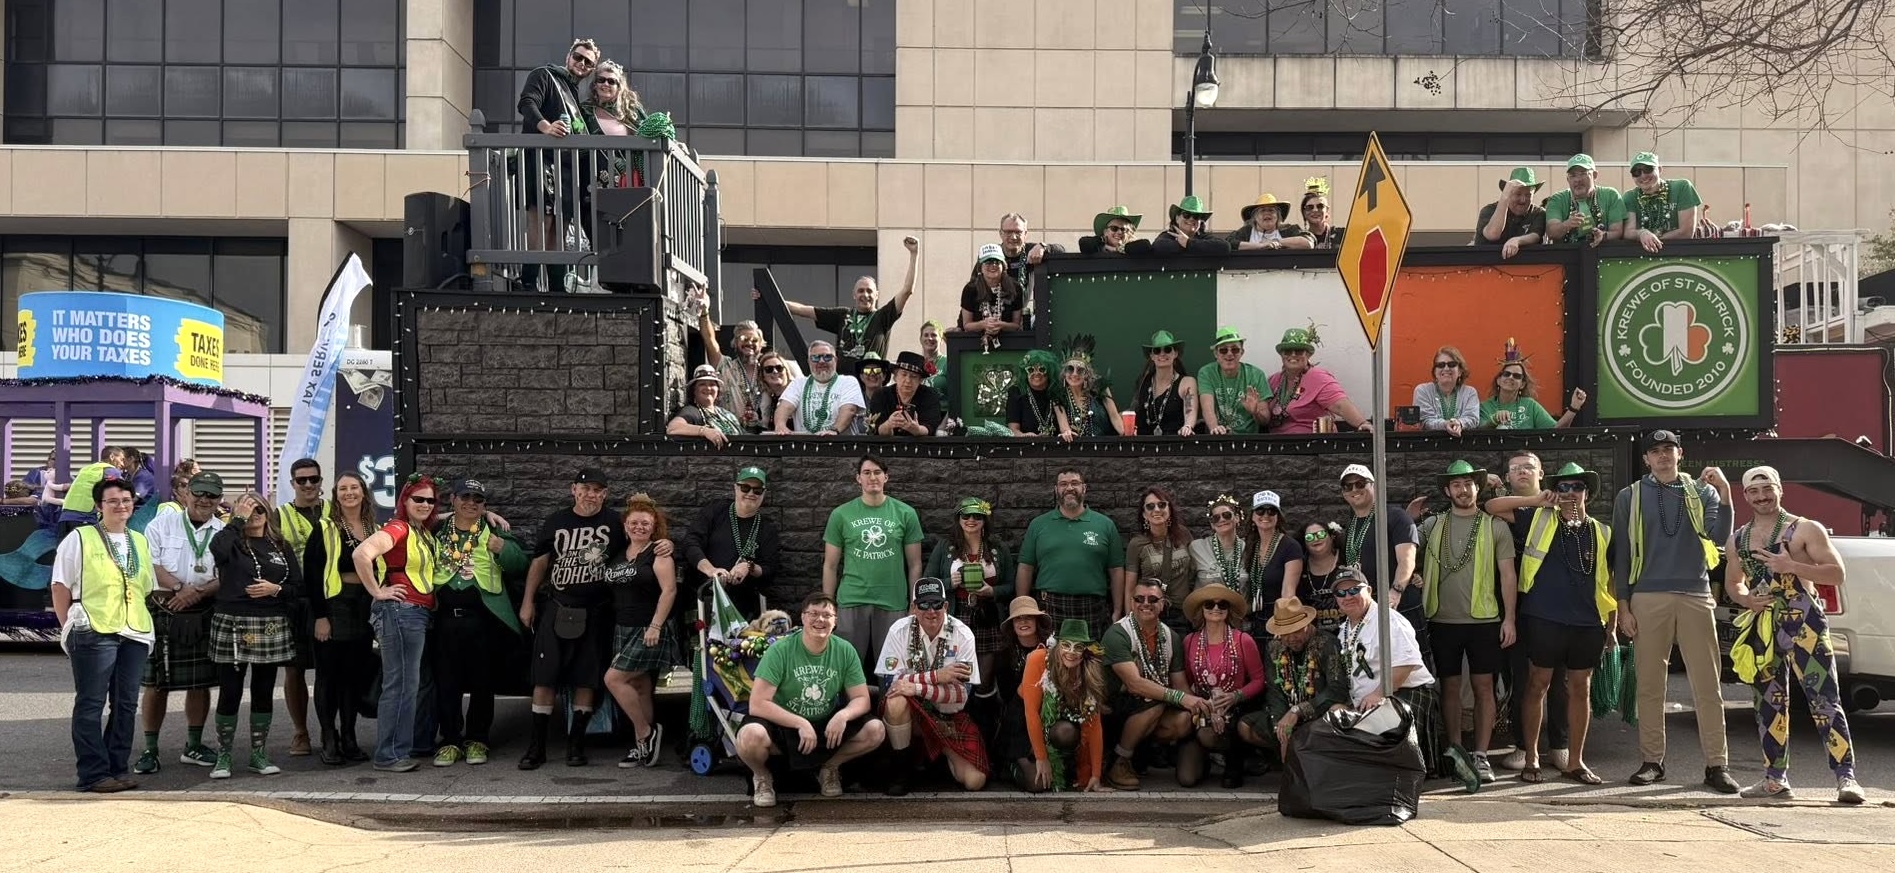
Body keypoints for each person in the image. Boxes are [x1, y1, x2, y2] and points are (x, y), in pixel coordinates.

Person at [1724, 466, 1864, 803]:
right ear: (1745, 495)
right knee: (1768, 703)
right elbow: (1733, 582)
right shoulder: (1738, 539)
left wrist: (1793, 567)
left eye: (1767, 489)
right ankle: (1774, 780)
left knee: (1824, 699)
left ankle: (1846, 778)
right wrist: (1746, 599)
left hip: (1806, 624)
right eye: (1754, 491)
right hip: (1764, 625)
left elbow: (1836, 573)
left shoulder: (1805, 529)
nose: (1762, 497)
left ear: (1780, 490)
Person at [1612, 429, 1737, 792]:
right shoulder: (1630, 496)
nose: (1663, 455)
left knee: (1707, 685)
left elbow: (1718, 538)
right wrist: (1623, 606)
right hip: (1647, 596)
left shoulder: (1703, 491)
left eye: (1669, 449)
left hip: (1695, 594)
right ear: (1646, 459)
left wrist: (1726, 494)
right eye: (1655, 451)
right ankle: (1652, 761)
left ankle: (1717, 765)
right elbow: (1621, 555)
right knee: (1650, 685)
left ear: (1680, 454)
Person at [1509, 463, 1615, 785]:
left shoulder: (1602, 531)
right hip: (1544, 617)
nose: (1570, 493)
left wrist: (1611, 626)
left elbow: (1609, 581)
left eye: (1577, 487)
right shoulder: (1539, 518)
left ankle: (1575, 762)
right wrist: (1538, 500)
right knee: (1537, 684)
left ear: (1587, 494)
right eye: (1564, 487)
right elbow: (1493, 506)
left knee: (1579, 688)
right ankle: (1532, 757)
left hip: (1587, 621)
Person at [518, 467, 627, 770]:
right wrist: (527, 602)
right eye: (586, 488)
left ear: (605, 494)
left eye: (597, 490)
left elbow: (637, 548)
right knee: (545, 677)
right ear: (574, 490)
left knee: (586, 678)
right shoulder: (556, 521)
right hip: (557, 606)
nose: (591, 495)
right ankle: (537, 747)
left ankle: (576, 745)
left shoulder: (615, 523)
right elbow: (540, 563)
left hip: (596, 610)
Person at [736, 592, 888, 808]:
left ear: (836, 621)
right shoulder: (780, 650)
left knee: (875, 730)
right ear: (803, 617)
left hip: (826, 722)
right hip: (783, 723)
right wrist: (799, 722)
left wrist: (843, 715)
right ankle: (762, 777)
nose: (820, 620)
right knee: (749, 736)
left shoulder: (845, 650)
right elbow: (758, 704)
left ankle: (830, 768)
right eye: (814, 614)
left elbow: (861, 698)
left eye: (827, 615)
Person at [1418, 460, 1519, 784]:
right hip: (1441, 619)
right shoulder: (1431, 525)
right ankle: (1456, 753)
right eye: (1456, 485)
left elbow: (1508, 576)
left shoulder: (1495, 526)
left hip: (1485, 620)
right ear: (1447, 491)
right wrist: (1408, 515)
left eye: (1468, 484)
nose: (1463, 490)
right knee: (1448, 686)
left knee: (1483, 686)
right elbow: (1405, 551)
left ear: (1478, 488)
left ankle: (1481, 755)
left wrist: (1510, 619)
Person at [52, 477, 154, 793]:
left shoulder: (139, 540)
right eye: (113, 501)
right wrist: (68, 625)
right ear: (99, 506)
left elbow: (145, 586)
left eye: (126, 500)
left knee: (126, 704)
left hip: (134, 630)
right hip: (93, 629)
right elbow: (60, 586)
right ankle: (93, 773)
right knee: (91, 703)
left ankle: (117, 767)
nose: (121, 506)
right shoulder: (80, 538)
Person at [426, 479, 525, 768]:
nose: (471, 503)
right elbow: (410, 519)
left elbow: (522, 564)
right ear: (453, 499)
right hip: (444, 619)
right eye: (465, 497)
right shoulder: (437, 529)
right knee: (447, 683)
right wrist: (445, 515)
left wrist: (502, 549)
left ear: (484, 504)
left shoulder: (494, 530)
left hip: (483, 620)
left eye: (478, 500)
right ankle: (450, 740)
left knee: (483, 681)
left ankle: (478, 738)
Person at [1482, 451, 1569, 773]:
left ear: (1541, 472)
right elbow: (1490, 506)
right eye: (1515, 469)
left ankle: (1560, 745)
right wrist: (1535, 501)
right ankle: (1523, 746)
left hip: (1558, 605)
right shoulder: (1517, 510)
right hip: (1519, 607)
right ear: (1507, 477)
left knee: (1559, 680)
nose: (1522, 472)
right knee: (1521, 679)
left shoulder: (1562, 506)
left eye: (1529, 467)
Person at [134, 471, 225, 775]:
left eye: (212, 495)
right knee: (156, 684)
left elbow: (226, 574)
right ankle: (150, 749)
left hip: (202, 608)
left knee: (200, 683)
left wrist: (196, 593)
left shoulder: (224, 532)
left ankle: (193, 745)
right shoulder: (161, 524)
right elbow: (151, 564)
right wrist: (178, 588)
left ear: (219, 499)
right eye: (199, 493)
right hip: (165, 606)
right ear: (186, 494)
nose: (204, 500)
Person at [206, 490, 301, 780]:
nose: (254, 514)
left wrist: (277, 589)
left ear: (268, 513)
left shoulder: (280, 545)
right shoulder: (231, 541)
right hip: (233, 620)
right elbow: (217, 550)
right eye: (247, 509)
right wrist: (237, 521)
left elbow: (299, 587)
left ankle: (258, 754)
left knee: (263, 689)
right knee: (231, 690)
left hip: (270, 621)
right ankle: (223, 756)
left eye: (259, 509)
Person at [348, 475, 440, 773]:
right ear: (405, 501)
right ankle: (389, 755)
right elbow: (361, 554)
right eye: (418, 499)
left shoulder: (418, 530)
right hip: (401, 613)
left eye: (431, 500)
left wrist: (482, 514)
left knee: (413, 684)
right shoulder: (399, 528)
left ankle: (403, 748)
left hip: (414, 614)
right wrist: (377, 591)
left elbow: (442, 516)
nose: (425, 504)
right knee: (400, 685)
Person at [877, 577, 989, 795]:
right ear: (913, 608)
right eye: (924, 604)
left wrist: (917, 687)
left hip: (948, 717)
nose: (931, 611)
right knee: (896, 701)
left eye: (937, 604)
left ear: (946, 606)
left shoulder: (963, 634)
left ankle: (938, 760)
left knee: (974, 781)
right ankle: (902, 770)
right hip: (912, 714)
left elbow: (962, 695)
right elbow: (893, 685)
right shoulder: (899, 631)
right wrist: (939, 676)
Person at [1100, 577, 1209, 790]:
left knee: (1183, 720)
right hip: (1114, 707)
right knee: (1155, 704)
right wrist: (1180, 697)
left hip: (1148, 705)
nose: (1145, 604)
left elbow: (1180, 684)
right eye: (1139, 599)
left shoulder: (1171, 637)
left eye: (1152, 599)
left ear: (1163, 604)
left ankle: (1139, 753)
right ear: (1131, 602)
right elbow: (1134, 684)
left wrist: (1199, 705)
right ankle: (1119, 761)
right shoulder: (1118, 633)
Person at [1333, 567, 1443, 774]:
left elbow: (1406, 663)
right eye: (1341, 593)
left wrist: (1379, 693)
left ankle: (1452, 761)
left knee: (1364, 738)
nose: (1347, 597)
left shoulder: (1388, 620)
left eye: (1354, 590)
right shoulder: (1344, 630)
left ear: (1369, 590)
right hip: (1368, 701)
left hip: (1404, 694)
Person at [823, 455, 925, 672]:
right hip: (851, 600)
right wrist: (827, 605)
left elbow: (915, 564)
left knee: (893, 672)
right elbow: (830, 565)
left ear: (886, 477)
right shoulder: (841, 514)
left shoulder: (906, 513)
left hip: (893, 601)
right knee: (845, 669)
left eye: (877, 472)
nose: (872, 477)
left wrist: (914, 602)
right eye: (867, 473)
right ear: (858, 478)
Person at [514, 38, 600, 293]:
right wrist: (546, 127)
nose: (582, 63)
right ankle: (528, 281)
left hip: (567, 169)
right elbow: (527, 103)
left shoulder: (574, 95)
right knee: (541, 221)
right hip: (541, 159)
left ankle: (556, 287)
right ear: (568, 56)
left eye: (588, 62)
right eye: (578, 57)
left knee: (560, 227)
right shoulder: (545, 75)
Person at [306, 472, 378, 765]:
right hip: (334, 605)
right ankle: (328, 737)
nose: (349, 493)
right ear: (336, 495)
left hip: (364, 606)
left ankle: (349, 737)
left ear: (364, 492)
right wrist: (320, 616)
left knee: (353, 676)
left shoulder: (375, 528)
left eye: (354, 487)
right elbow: (312, 575)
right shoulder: (325, 527)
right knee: (328, 676)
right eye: (343, 489)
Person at [603, 494, 678, 769]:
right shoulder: (619, 554)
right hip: (623, 626)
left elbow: (669, 591)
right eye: (634, 522)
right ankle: (641, 748)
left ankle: (647, 732)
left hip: (648, 628)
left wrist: (656, 625)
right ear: (625, 525)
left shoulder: (658, 553)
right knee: (639, 686)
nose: (639, 527)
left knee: (613, 679)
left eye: (645, 523)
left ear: (654, 526)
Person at [1017, 468, 1125, 642]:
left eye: (1075, 483)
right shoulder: (1038, 524)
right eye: (1063, 484)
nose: (1069, 488)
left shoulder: (1105, 525)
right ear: (1056, 489)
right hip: (1049, 604)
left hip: (1093, 606)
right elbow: (1025, 568)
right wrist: (1022, 608)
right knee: (1049, 656)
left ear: (1084, 488)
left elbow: (1116, 570)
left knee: (1092, 656)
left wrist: (1118, 611)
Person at [1240, 596, 1348, 768]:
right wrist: (1281, 729)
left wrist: (1298, 711)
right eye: (1285, 633)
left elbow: (1337, 690)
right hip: (1287, 717)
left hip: (1318, 714)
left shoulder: (1327, 643)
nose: (1291, 638)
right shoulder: (1274, 647)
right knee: (1245, 727)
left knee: (1336, 713)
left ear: (1307, 624)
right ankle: (1289, 754)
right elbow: (1275, 693)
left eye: (1296, 631)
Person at [780, 236, 919, 369]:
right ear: (854, 294)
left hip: (871, 380)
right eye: (861, 291)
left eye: (869, 291)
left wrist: (914, 254)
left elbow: (907, 291)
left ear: (876, 295)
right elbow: (804, 310)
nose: (865, 295)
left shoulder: (883, 316)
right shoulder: (843, 314)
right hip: (844, 382)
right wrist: (773, 298)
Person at [1177, 583, 1265, 788]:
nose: (1216, 609)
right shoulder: (1190, 641)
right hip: (1202, 712)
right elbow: (1186, 681)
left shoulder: (1243, 640)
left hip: (1234, 711)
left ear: (1228, 610)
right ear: (1201, 610)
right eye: (1209, 604)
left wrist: (1235, 696)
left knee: (1217, 737)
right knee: (1186, 779)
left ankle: (1238, 758)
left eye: (1222, 604)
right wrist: (1201, 705)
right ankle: (1207, 759)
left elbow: (1259, 680)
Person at [923, 497, 1014, 688]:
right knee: (954, 667)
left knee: (984, 675)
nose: (971, 520)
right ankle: (959, 705)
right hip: (956, 613)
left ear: (985, 520)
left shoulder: (998, 547)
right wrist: (949, 583)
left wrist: (992, 591)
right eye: (966, 516)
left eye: (977, 516)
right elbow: (928, 583)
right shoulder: (945, 546)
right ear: (958, 519)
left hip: (987, 615)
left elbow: (1011, 585)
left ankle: (983, 704)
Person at [274, 458, 329, 758]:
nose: (308, 485)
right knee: (294, 670)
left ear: (321, 481)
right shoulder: (279, 515)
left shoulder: (335, 510)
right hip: (295, 602)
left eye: (313, 479)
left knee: (329, 670)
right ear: (292, 483)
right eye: (301, 480)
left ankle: (329, 731)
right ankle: (300, 732)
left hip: (330, 600)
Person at [1019, 617, 1109, 792]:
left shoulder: (1088, 671)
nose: (1071, 652)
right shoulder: (1039, 659)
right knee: (1036, 784)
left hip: (1059, 725)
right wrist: (1041, 758)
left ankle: (1064, 767)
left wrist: (1095, 775)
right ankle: (1014, 765)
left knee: (1065, 732)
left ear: (1085, 651)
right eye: (1066, 645)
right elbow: (1031, 712)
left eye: (1078, 647)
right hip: (1023, 726)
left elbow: (1094, 725)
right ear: (1057, 645)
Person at [1337, 464, 1424, 643]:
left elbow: (1407, 560)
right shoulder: (1350, 525)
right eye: (1348, 486)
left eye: (1360, 484)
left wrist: (1395, 591)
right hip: (1364, 606)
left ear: (1374, 486)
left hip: (1397, 602)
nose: (1354, 489)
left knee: (1407, 657)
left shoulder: (1396, 517)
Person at [685, 466, 782, 620]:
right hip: (706, 598)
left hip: (745, 606)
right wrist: (711, 570)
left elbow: (770, 568)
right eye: (745, 488)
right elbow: (691, 543)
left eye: (757, 490)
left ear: (763, 494)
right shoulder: (715, 512)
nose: (751, 493)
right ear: (736, 488)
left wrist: (748, 567)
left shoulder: (767, 528)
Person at [992, 596, 1055, 788]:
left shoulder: (1052, 648)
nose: (1023, 622)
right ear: (1012, 625)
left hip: (1049, 712)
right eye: (1018, 619)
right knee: (1037, 784)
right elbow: (1008, 696)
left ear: (1037, 621)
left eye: (1028, 617)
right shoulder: (1003, 654)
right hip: (1018, 719)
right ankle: (1011, 763)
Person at [1265, 327, 1371, 433]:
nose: (1293, 354)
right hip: (1277, 441)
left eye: (1299, 351)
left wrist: (1362, 423)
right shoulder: (1274, 380)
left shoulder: (1317, 377)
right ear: (1281, 355)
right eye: (1288, 351)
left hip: (1311, 441)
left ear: (1308, 355)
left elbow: (1340, 406)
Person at [1123, 486, 1197, 635]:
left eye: (1162, 505)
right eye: (1150, 506)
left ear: (1169, 509)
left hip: (1182, 613)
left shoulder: (1183, 535)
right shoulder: (1137, 544)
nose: (1156, 509)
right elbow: (1130, 588)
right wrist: (1131, 623)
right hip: (1150, 611)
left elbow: (1194, 572)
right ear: (1144, 514)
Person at [1480, 341, 1586, 429]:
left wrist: (1574, 407)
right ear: (1498, 380)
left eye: (1517, 376)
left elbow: (1556, 431)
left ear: (1522, 384)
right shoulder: (1485, 407)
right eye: (1506, 374)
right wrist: (1494, 420)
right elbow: (1478, 431)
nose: (1511, 377)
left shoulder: (1530, 405)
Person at [1243, 490, 1304, 636]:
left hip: (1279, 618)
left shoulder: (1290, 546)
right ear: (1253, 516)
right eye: (1260, 510)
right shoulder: (1252, 545)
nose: (1265, 515)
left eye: (1271, 511)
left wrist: (1283, 625)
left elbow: (1288, 591)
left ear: (1278, 517)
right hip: (1255, 619)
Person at [774, 341, 866, 435]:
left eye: (827, 357)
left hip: (840, 442)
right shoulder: (798, 383)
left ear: (835, 360)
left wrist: (834, 431)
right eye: (815, 358)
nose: (821, 361)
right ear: (809, 362)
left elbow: (849, 410)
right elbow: (784, 407)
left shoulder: (848, 381)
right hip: (805, 443)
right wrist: (780, 426)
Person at [1197, 326, 1271, 435]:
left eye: (1235, 349)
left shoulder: (1256, 375)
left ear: (1242, 352)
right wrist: (1215, 428)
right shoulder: (1206, 372)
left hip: (1247, 438)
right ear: (1216, 354)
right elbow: (1207, 408)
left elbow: (1265, 420)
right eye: (1223, 350)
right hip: (1217, 437)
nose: (1229, 354)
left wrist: (1255, 412)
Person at [1625, 152, 1703, 252]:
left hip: (1681, 252)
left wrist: (1653, 241)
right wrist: (1642, 233)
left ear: (1659, 169)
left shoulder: (1682, 187)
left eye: (1648, 169)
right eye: (1636, 172)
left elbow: (1686, 232)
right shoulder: (1630, 197)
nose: (1643, 175)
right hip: (1646, 254)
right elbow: (1628, 232)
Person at [1542, 154, 1625, 247]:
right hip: (1567, 253)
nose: (1577, 180)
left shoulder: (1610, 195)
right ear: (1568, 179)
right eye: (1573, 175)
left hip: (1603, 253)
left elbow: (1617, 231)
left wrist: (1604, 235)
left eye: (1583, 173)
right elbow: (1551, 232)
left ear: (1595, 175)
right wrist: (1567, 224)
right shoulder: (1557, 200)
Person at [1052, 340, 1125, 441]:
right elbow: (1064, 427)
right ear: (1064, 373)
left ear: (1087, 374)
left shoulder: (1100, 388)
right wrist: (1067, 432)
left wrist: (1126, 433)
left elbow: (1115, 417)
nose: (1074, 374)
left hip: (1104, 444)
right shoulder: (1059, 395)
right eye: (1070, 369)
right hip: (1075, 446)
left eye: (1080, 370)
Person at [1132, 330, 1198, 436]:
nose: (1162, 354)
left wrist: (1188, 426)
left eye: (1167, 349)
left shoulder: (1187, 382)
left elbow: (1190, 411)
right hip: (1145, 442)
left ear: (1175, 353)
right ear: (1152, 356)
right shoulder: (1144, 381)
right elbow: (1135, 410)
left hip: (1176, 441)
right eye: (1157, 350)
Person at [1474, 168, 1548, 259]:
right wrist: (1504, 198)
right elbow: (1493, 234)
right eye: (1518, 194)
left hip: (1525, 265)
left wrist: (1517, 241)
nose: (1523, 200)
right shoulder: (1489, 211)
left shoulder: (1538, 213)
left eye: (1528, 195)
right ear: (1508, 194)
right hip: (1486, 263)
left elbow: (1535, 236)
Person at [868, 352, 946, 437]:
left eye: (913, 376)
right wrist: (889, 424)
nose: (908, 380)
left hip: (919, 444)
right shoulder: (881, 395)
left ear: (920, 380)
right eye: (904, 374)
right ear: (895, 377)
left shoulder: (930, 395)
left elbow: (930, 427)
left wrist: (917, 430)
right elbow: (878, 429)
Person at [1189, 495, 1250, 600]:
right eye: (1216, 518)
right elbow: (1186, 582)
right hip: (1209, 607)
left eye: (1226, 515)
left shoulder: (1248, 548)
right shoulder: (1197, 548)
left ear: (1237, 518)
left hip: (1241, 608)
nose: (1221, 520)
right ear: (1212, 524)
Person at [960, 244, 1025, 341]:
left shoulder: (1015, 288)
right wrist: (983, 324)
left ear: (1003, 266)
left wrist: (1001, 325)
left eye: (997, 262)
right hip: (977, 342)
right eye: (988, 262)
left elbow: (1016, 325)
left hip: (1008, 341)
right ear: (980, 267)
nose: (993, 265)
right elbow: (967, 325)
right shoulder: (970, 289)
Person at [668, 364, 744, 446]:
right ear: (694, 390)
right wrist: (704, 431)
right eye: (702, 384)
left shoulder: (727, 414)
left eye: (712, 384)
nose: (708, 388)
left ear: (718, 389)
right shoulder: (692, 411)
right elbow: (672, 428)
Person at [1415, 346, 1480, 435]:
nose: (1446, 368)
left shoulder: (1469, 393)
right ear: (1435, 372)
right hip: (1431, 441)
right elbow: (1425, 420)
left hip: (1462, 441)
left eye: (1452, 364)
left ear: (1460, 371)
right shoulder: (1423, 391)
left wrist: (1460, 423)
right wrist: (1445, 424)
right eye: (1440, 365)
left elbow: (1472, 418)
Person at [1296, 521, 1348, 634]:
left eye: (1321, 534)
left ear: (1332, 536)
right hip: (1313, 635)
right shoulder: (1299, 567)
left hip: (1348, 630)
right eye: (1309, 537)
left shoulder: (1347, 559)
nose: (1316, 539)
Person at [1226, 193, 1314, 250]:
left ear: (1278, 216)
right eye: (1262, 210)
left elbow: (1308, 243)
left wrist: (1276, 242)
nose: (1267, 213)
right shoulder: (1246, 232)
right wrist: (1261, 246)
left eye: (1271, 210)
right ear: (1255, 217)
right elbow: (1229, 243)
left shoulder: (1289, 229)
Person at [1150, 195, 1231, 256]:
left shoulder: (1204, 237)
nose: (1191, 219)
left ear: (1200, 221)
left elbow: (1224, 247)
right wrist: (1196, 247)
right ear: (1177, 218)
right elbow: (1159, 247)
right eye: (1186, 215)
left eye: (1196, 216)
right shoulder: (1168, 236)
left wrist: (1188, 243)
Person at [1007, 349, 1060, 436]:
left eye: (1042, 369)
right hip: (1026, 444)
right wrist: (1024, 436)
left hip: (1057, 443)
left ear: (1050, 371)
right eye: (1031, 370)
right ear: (1025, 373)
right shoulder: (1016, 392)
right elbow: (1013, 430)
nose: (1036, 373)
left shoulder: (1057, 391)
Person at [1077, 206, 1148, 255]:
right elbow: (1084, 243)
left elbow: (1145, 245)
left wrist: (1118, 249)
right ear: (1105, 232)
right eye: (1114, 228)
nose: (1119, 232)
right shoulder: (1096, 248)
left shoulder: (1135, 249)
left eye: (1123, 229)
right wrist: (1103, 245)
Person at [1299, 177, 1346, 249]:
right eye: (1310, 207)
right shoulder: (1300, 238)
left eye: (1320, 206)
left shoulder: (1342, 235)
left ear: (1327, 210)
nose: (1315, 210)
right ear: (1304, 213)